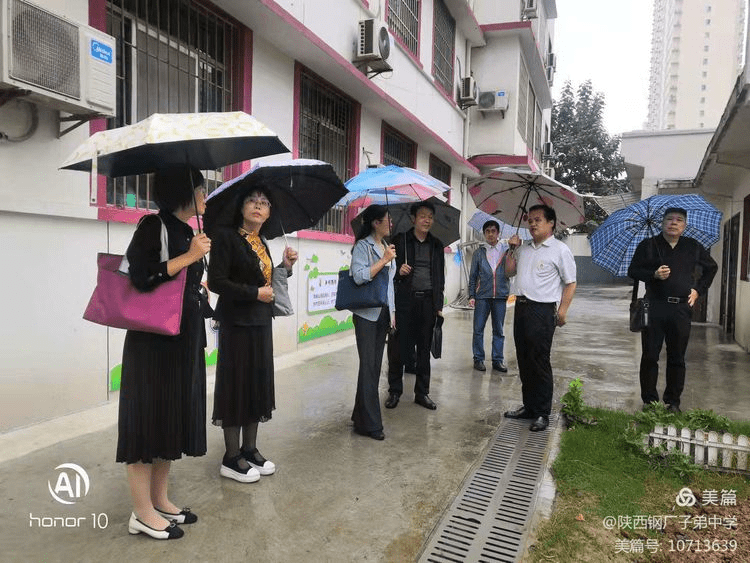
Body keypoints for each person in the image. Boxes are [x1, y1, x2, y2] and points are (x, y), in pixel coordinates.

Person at [117, 165, 211, 540]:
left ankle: (160, 499)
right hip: (152, 343)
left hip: (182, 338)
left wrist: (197, 268)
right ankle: (140, 513)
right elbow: (139, 277)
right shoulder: (151, 226)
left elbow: (184, 279)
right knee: (146, 420)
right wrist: (189, 258)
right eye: (203, 190)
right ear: (185, 192)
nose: (206, 197)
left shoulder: (189, 231)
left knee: (170, 416)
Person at [208, 186, 298, 482]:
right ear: (241, 207)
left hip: (261, 322)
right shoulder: (226, 237)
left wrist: (285, 266)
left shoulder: (262, 241)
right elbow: (218, 282)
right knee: (236, 385)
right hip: (236, 324)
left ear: (269, 212)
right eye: (252, 201)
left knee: (256, 382)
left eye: (264, 202)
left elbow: (266, 280)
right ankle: (231, 457)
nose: (258, 206)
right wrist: (253, 293)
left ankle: (250, 450)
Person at [627, 207, 718, 413]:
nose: (674, 223)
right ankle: (649, 401)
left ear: (684, 225)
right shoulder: (649, 245)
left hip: (680, 309)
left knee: (677, 357)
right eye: (669, 219)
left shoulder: (692, 246)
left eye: (679, 220)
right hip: (654, 306)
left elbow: (711, 268)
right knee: (650, 355)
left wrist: (697, 290)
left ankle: (673, 402)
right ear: (662, 223)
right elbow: (633, 270)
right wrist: (653, 274)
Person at [504, 204, 576, 432]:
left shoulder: (560, 250)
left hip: (543, 311)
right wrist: (511, 249)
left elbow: (571, 282)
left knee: (539, 361)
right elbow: (508, 272)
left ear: (551, 223)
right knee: (524, 360)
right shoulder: (524, 248)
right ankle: (529, 407)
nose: (532, 224)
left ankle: (543, 412)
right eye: (530, 220)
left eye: (537, 220)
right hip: (521, 307)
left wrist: (562, 310)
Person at [385, 201, 445, 411]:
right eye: (422, 216)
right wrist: (397, 271)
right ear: (413, 218)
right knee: (398, 348)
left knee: (424, 350)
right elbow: (387, 274)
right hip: (405, 302)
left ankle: (422, 393)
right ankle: (394, 391)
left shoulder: (437, 245)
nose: (427, 220)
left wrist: (439, 304)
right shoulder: (399, 241)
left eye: (430, 216)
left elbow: (440, 276)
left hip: (428, 303)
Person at [349, 205, 396, 440]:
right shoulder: (362, 246)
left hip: (383, 314)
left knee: (374, 368)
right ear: (375, 223)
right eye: (388, 219)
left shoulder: (387, 246)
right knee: (368, 367)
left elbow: (390, 287)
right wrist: (384, 261)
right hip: (366, 315)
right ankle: (371, 424)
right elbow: (358, 277)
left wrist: (393, 313)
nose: (391, 222)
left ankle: (360, 415)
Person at [468, 220, 510, 373]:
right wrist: (471, 295)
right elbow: (473, 276)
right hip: (482, 296)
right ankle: (478, 359)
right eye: (488, 231)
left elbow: (512, 269)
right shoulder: (479, 252)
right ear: (484, 233)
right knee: (478, 329)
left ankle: (498, 360)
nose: (490, 234)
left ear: (498, 233)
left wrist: (513, 248)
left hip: (500, 295)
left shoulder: (506, 250)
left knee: (498, 330)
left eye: (493, 231)